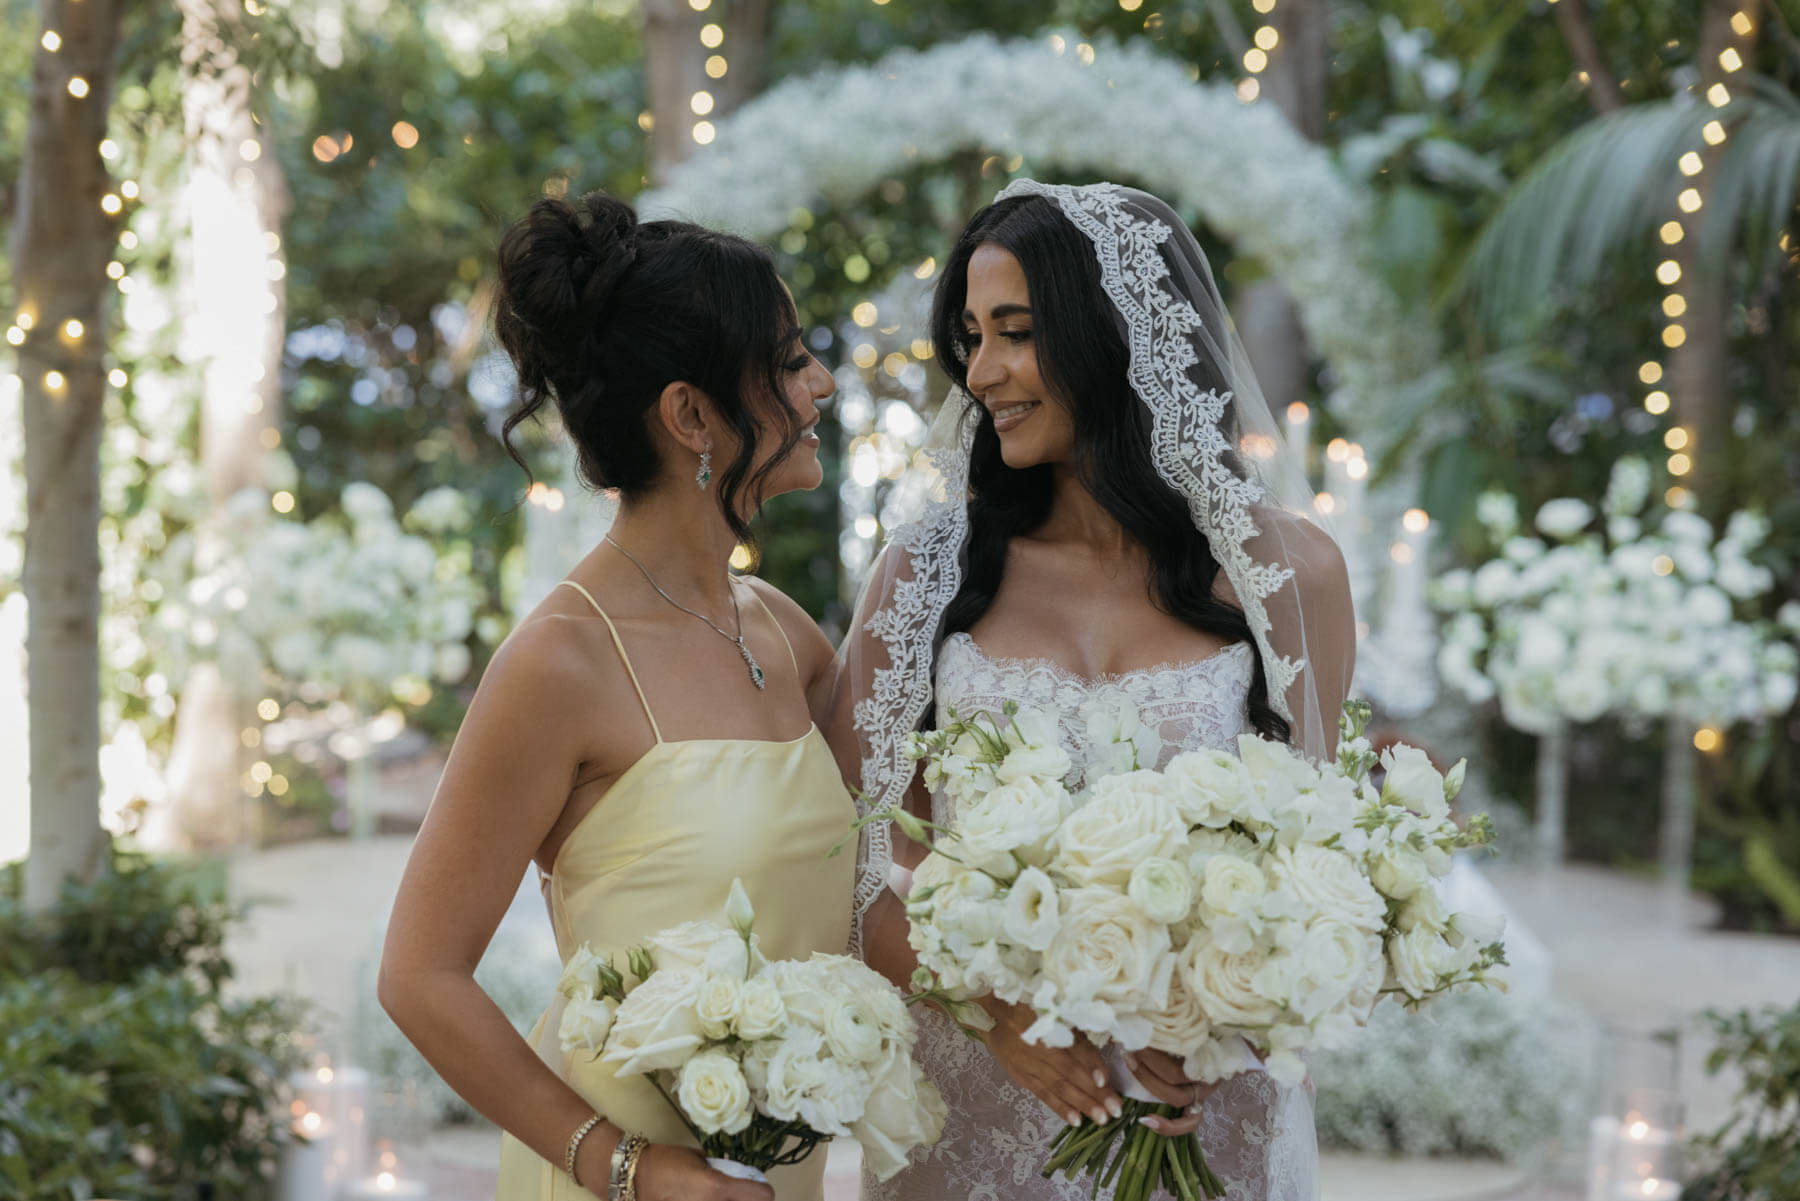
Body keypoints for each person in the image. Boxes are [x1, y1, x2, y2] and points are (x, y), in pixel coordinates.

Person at [833, 181, 1355, 1200]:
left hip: (1209, 1121)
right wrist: (997, 1017)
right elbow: (855, 874)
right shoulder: (926, 573)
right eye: (972, 337)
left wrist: (1220, 1027)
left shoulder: (1289, 575)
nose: (981, 372)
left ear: (1114, 337)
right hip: (984, 1120)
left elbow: (1318, 866)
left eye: (1017, 333)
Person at [379, 191, 850, 1201]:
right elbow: (419, 975)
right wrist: (628, 1168)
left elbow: (893, 868)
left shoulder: (787, 634)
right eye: (788, 362)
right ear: (691, 416)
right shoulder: (560, 663)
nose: (822, 383)